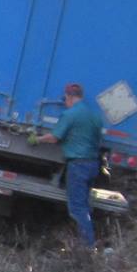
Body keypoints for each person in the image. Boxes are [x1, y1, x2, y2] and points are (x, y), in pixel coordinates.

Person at [34, 81, 103, 251]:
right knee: (84, 205)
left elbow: (55, 137)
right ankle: (87, 242)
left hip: (78, 165)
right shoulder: (94, 115)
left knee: (77, 208)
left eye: (65, 99)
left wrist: (37, 139)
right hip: (93, 164)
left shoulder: (70, 114)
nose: (65, 102)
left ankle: (87, 246)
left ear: (70, 97)